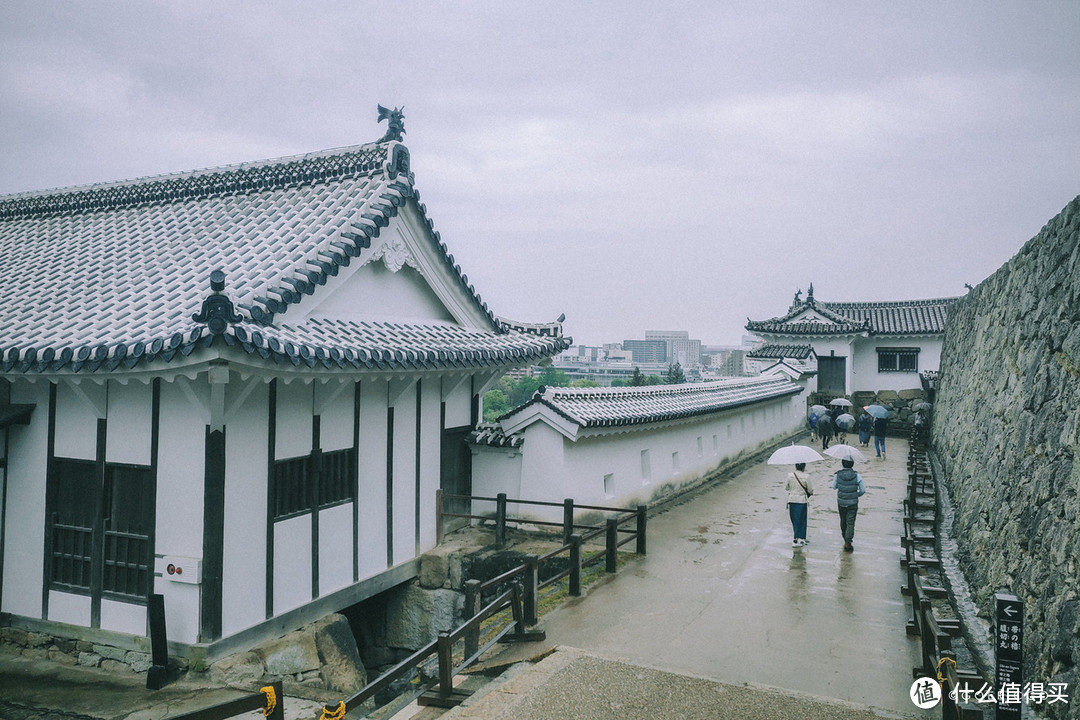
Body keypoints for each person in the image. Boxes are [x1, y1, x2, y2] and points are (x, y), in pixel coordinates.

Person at [831, 459, 866, 552]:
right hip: (853, 503)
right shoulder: (857, 475)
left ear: (842, 464)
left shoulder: (837, 475)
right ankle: (848, 541)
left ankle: (845, 537)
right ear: (852, 464)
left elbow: (834, 486)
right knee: (850, 522)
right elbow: (863, 490)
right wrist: (856, 495)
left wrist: (841, 486)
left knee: (843, 520)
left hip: (841, 502)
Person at [785, 462, 814, 547]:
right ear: (804, 467)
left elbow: (786, 487)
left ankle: (796, 538)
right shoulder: (806, 477)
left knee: (794, 519)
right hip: (802, 501)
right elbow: (810, 490)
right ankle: (800, 538)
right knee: (802, 519)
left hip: (792, 500)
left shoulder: (790, 475)